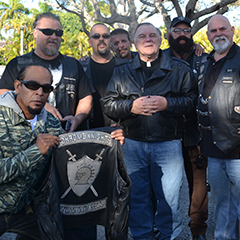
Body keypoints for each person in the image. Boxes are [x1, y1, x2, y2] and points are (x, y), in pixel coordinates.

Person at [101, 22, 197, 240]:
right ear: (135, 42)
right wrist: (130, 107)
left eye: (152, 35)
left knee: (169, 201)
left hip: (168, 144)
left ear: (161, 40)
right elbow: (108, 104)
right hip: (132, 144)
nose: (147, 39)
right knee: (138, 199)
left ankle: (168, 236)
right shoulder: (121, 71)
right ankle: (142, 236)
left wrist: (167, 104)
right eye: (142, 36)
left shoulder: (179, 69)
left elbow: (192, 102)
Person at [0, 64, 61, 240]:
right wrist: (35, 152)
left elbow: (68, 155)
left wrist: (107, 137)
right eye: (32, 85)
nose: (40, 92)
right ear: (17, 86)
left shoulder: (52, 123)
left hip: (25, 208)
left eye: (46, 88)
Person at [197, 15, 240, 240]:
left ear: (233, 31)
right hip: (214, 152)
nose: (219, 34)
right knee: (222, 210)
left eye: (223, 29)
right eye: (213, 30)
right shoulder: (207, 61)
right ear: (208, 35)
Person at [0, 12, 94, 132]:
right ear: (35, 33)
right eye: (47, 32)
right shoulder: (18, 64)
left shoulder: (73, 65)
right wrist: (41, 105)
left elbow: (86, 97)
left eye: (58, 33)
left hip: (66, 138)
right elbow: (1, 94)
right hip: (28, 140)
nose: (53, 37)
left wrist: (77, 118)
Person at [164, 16, 209, 240]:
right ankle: (161, 229)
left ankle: (198, 230)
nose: (182, 34)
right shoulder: (159, 57)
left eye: (186, 31)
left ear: (192, 35)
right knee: (162, 186)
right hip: (164, 131)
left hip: (195, 131)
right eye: (177, 30)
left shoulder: (204, 59)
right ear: (168, 34)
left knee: (198, 184)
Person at [81, 23, 116, 129]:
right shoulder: (80, 68)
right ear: (90, 42)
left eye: (105, 36)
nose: (101, 39)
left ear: (110, 40)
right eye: (96, 36)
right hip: (89, 131)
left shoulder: (125, 67)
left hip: (119, 130)